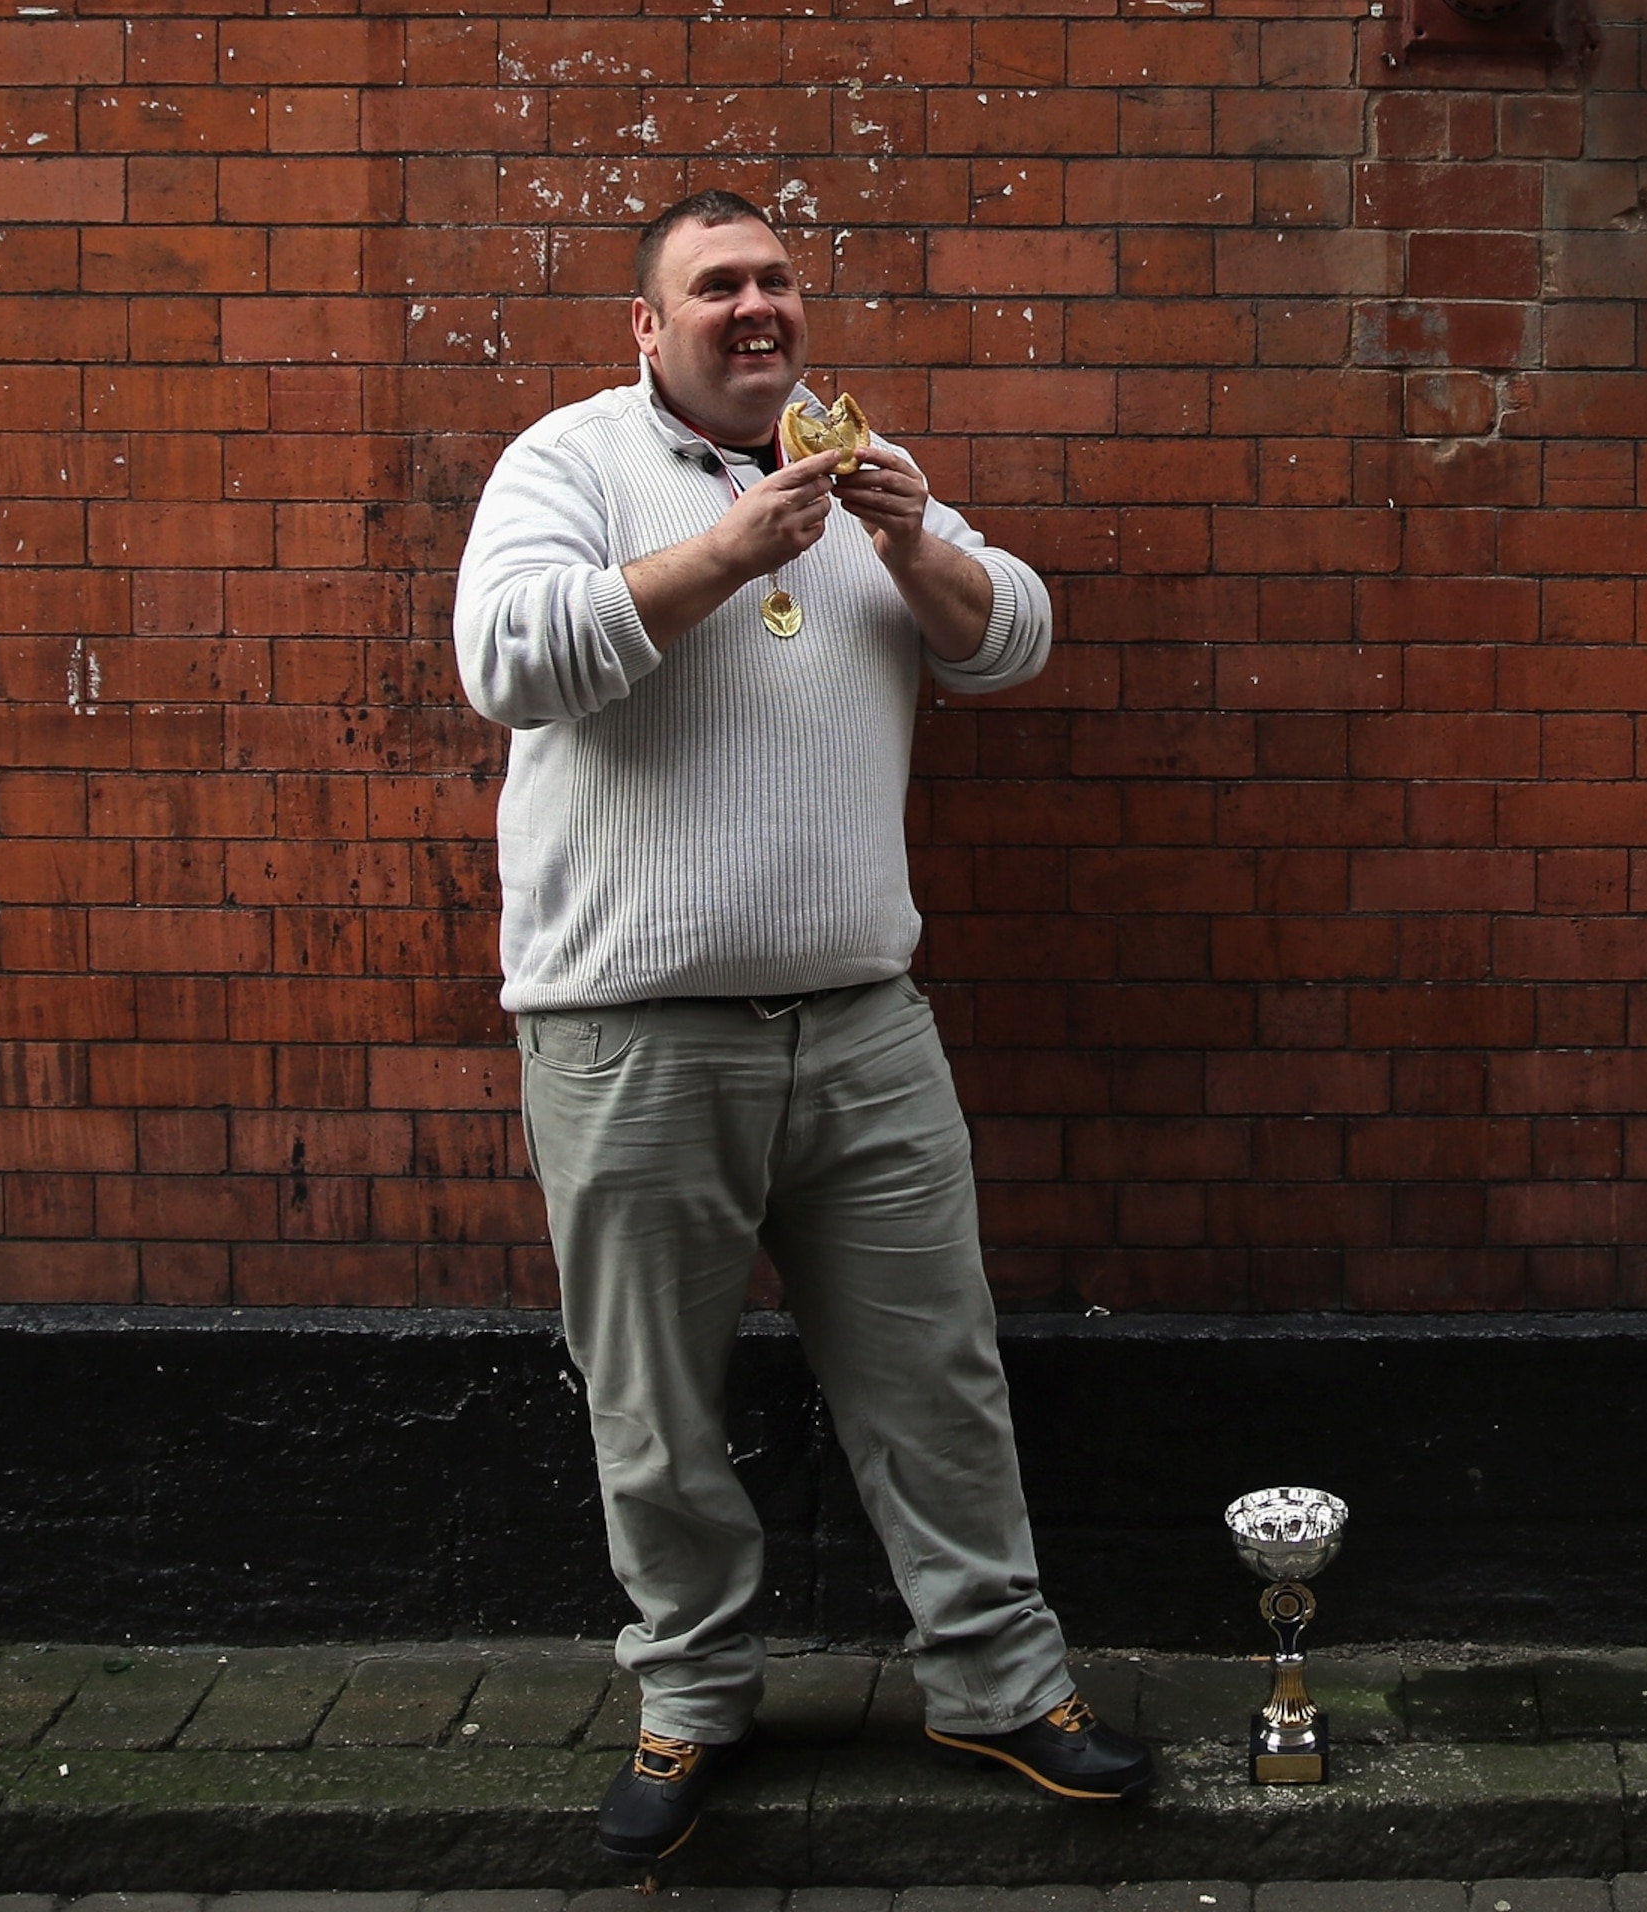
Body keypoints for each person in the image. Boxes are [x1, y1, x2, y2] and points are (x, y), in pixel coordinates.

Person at [452, 188, 1152, 1872]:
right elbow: (508, 659)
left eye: (776, 280)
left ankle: (993, 1680)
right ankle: (692, 1694)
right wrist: (724, 551)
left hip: (859, 1024)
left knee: (937, 1374)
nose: (757, 307)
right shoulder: (565, 460)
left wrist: (909, 540)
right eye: (717, 285)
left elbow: (1015, 640)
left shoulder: (857, 472)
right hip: (628, 1037)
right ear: (647, 324)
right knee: (655, 1405)